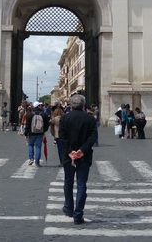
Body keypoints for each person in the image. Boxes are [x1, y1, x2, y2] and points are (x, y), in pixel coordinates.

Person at [59, 94, 98, 225]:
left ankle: (69, 208)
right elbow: (93, 137)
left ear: (71, 105)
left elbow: (62, 138)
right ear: (83, 104)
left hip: (68, 158)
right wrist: (82, 151)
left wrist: (70, 152)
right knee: (81, 185)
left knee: (68, 183)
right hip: (84, 157)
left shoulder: (64, 118)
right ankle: (78, 214)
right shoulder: (90, 119)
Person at [25, 101, 50, 166]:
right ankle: (37, 162)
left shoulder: (30, 114)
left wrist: (26, 133)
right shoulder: (43, 114)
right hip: (40, 133)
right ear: (38, 106)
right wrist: (44, 130)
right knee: (38, 147)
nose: (41, 106)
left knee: (30, 145)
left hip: (31, 132)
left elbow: (27, 125)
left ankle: (31, 159)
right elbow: (47, 124)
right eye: (40, 105)